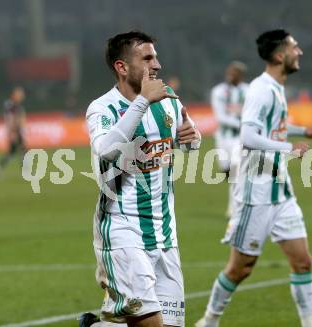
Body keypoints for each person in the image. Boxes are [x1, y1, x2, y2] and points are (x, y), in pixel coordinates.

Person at [195, 29, 312, 327]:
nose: (300, 51)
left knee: (303, 261)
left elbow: (274, 126)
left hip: (280, 191)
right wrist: (288, 147)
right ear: (280, 55)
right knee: (240, 269)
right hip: (256, 193)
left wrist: (303, 130)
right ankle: (209, 321)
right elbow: (249, 137)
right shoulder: (261, 89)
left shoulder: (276, 88)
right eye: (294, 47)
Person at [80, 31, 201, 327]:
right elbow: (106, 149)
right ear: (122, 67)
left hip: (164, 233)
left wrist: (192, 139)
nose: (157, 65)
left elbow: (189, 138)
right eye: (147, 58)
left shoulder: (168, 100)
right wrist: (142, 102)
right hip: (123, 232)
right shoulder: (102, 107)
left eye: (156, 57)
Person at [210, 61, 249, 217]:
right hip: (222, 138)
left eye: (235, 73)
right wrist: (242, 123)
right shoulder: (219, 91)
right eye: (230, 72)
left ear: (240, 75)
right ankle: (239, 194)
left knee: (236, 171)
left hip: (238, 139)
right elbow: (220, 117)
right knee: (226, 169)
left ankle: (234, 209)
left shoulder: (248, 91)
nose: (231, 75)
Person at [0, 86, 26, 176]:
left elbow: (19, 118)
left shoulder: (16, 105)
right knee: (21, 150)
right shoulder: (10, 105)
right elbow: (10, 119)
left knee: (13, 151)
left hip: (17, 130)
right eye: (19, 94)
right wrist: (12, 132)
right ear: (14, 95)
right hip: (14, 131)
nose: (21, 96)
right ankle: (25, 171)